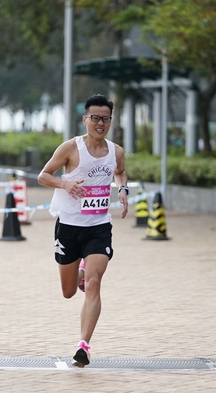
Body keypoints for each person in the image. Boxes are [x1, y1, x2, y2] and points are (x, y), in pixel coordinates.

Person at [37, 94, 129, 368]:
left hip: (99, 227)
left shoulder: (116, 151)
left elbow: (120, 171)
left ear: (110, 121)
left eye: (106, 119)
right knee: (68, 292)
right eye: (95, 118)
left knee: (94, 283)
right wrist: (65, 184)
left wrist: (123, 188)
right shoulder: (71, 148)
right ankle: (79, 273)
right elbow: (43, 175)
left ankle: (84, 346)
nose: (100, 123)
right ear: (85, 119)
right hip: (69, 227)